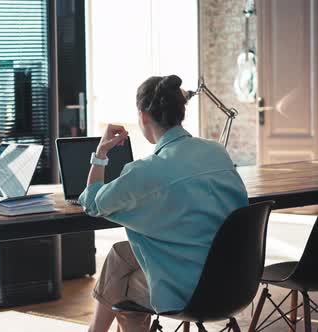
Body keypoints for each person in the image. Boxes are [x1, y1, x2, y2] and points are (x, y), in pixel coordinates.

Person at [79, 75, 248, 332]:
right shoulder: (217, 152)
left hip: (192, 291)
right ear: (181, 113)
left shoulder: (146, 172)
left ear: (143, 116)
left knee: (122, 295)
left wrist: (101, 154)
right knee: (119, 255)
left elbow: (92, 203)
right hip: (237, 281)